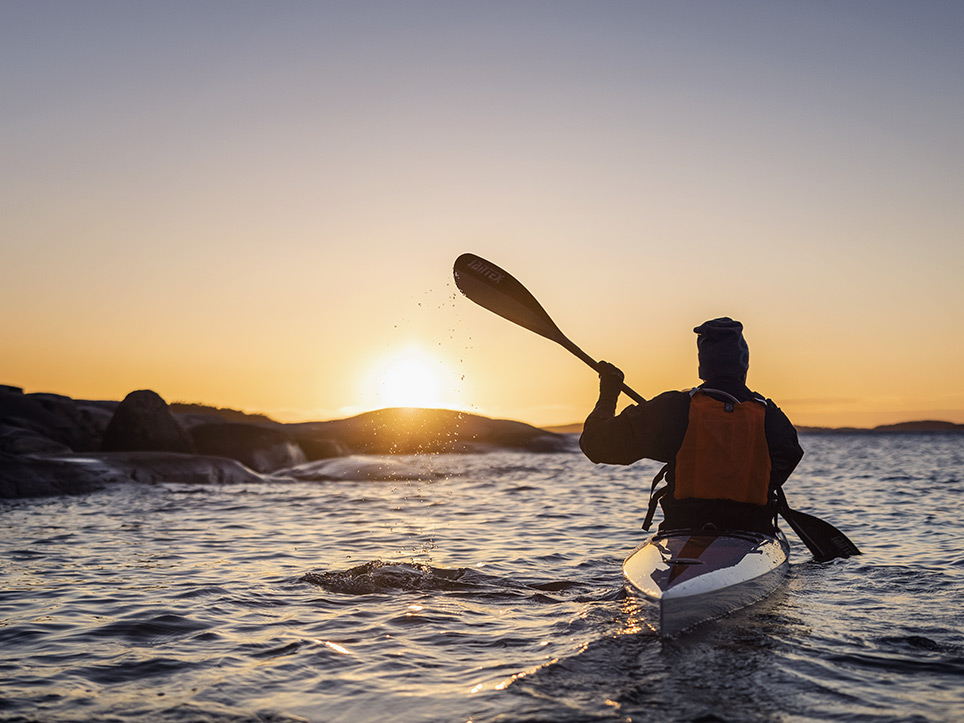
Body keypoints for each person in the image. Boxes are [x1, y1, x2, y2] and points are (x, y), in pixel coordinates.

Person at [579, 317, 803, 534]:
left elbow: (594, 444)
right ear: (744, 367)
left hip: (684, 531)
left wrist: (608, 394)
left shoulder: (673, 409)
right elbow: (790, 455)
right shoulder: (770, 416)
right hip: (751, 531)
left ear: (703, 367)